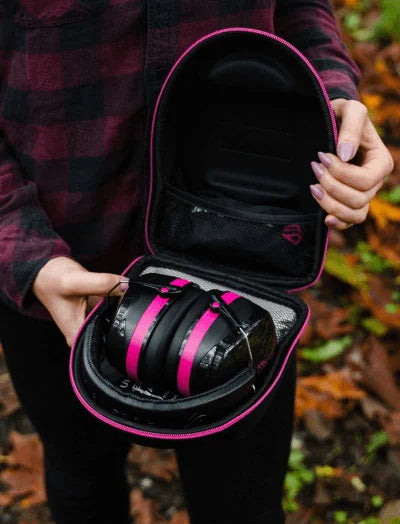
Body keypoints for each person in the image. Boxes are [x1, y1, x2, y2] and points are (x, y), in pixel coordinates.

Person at [0, 1, 393, 523]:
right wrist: (25, 252)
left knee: (244, 504)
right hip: (56, 270)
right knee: (82, 480)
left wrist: (333, 96)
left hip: (245, 263)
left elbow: (300, 8)